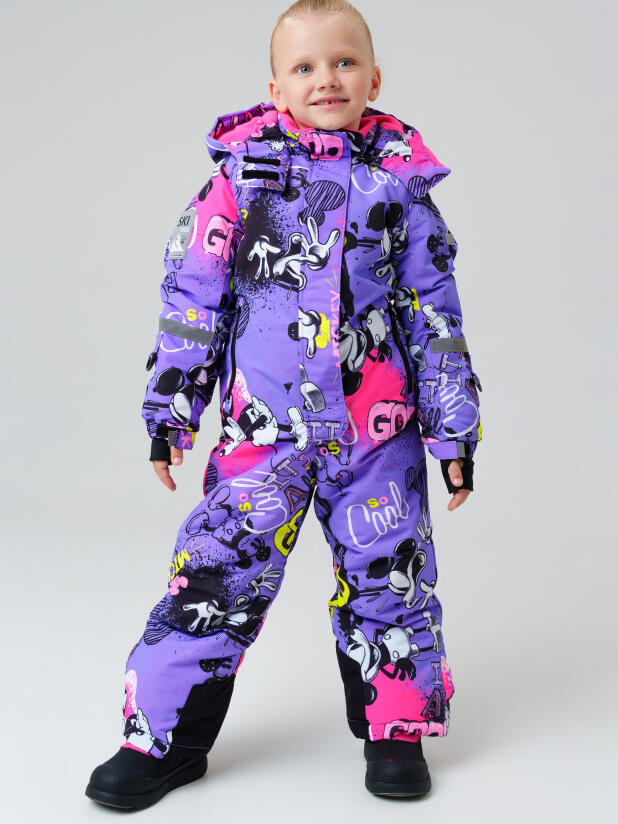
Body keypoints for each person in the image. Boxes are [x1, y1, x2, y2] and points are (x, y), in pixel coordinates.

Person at [85, 0, 482, 809]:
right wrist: (171, 411)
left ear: (375, 78)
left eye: (344, 62)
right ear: (275, 88)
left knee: (391, 579)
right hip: (261, 437)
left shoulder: (399, 187)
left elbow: (432, 311)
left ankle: (395, 730)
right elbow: (196, 298)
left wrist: (453, 433)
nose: (326, 79)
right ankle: (162, 739)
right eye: (305, 67)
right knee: (214, 578)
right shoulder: (239, 179)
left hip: (379, 434)